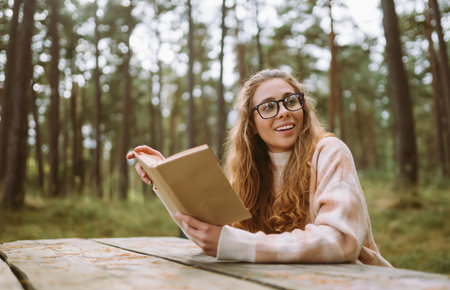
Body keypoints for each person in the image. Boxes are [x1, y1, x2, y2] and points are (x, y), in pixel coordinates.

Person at [126, 69, 392, 267]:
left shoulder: (330, 152)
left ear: (303, 108)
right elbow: (211, 234)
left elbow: (340, 241)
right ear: (252, 124)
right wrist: (165, 179)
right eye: (267, 107)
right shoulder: (247, 172)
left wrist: (236, 244)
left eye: (290, 101)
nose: (283, 111)